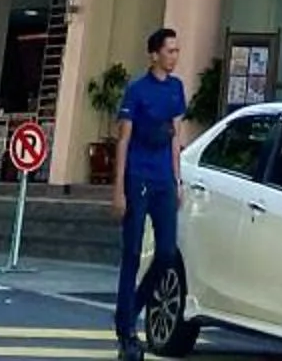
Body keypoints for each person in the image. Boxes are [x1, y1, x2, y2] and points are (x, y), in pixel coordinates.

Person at [112, 25, 185, 360]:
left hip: (163, 181)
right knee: (131, 252)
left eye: (176, 51)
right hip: (137, 177)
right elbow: (123, 140)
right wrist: (119, 190)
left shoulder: (176, 89)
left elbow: (175, 137)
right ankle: (127, 332)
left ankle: (130, 311)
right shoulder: (136, 90)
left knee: (167, 253)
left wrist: (178, 180)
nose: (174, 56)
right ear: (154, 54)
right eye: (169, 51)